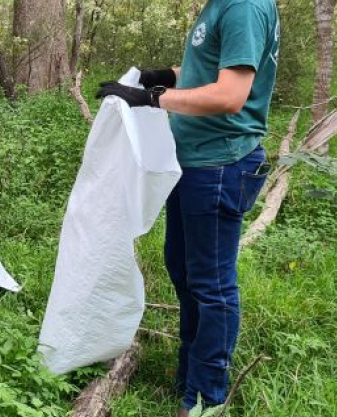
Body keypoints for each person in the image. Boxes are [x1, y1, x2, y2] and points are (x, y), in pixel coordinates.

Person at [94, 0, 279, 414]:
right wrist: (163, 76)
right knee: (182, 268)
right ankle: (189, 377)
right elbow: (206, 70)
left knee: (211, 284)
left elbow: (230, 94)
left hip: (219, 164)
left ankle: (206, 396)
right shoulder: (219, 7)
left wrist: (151, 99)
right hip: (192, 162)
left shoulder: (243, 7)